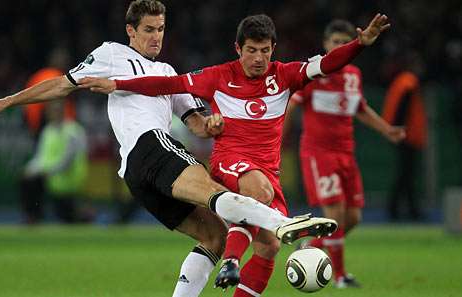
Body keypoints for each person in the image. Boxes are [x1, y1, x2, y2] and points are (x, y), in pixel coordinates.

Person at [0, 1, 336, 296]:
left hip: (137, 177)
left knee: (215, 236)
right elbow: (63, 84)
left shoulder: (168, 74)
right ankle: (284, 222)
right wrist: (6, 101)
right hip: (148, 146)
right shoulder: (111, 54)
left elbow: (196, 123)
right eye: (148, 29)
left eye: (160, 29)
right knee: (215, 193)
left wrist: (213, 126)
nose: (156, 36)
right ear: (130, 31)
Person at [76, 12, 390, 295]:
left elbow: (327, 63)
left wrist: (359, 45)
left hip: (269, 170)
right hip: (231, 162)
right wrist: (116, 82)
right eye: (251, 50)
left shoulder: (286, 75)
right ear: (238, 49)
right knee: (258, 190)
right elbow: (166, 83)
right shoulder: (218, 75)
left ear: (273, 49)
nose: (258, 58)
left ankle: (249, 255)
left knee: (269, 247)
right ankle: (231, 260)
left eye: (265, 51)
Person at [286, 20, 406, 288]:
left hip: (346, 153)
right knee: (336, 214)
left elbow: (360, 108)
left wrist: (387, 130)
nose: (339, 47)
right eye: (335, 42)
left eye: (344, 42)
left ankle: (310, 246)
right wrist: (276, 142)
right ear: (326, 44)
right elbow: (291, 108)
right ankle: (340, 277)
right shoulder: (314, 73)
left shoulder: (353, 75)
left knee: (353, 218)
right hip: (319, 153)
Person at [21, 100, 90, 224]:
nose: (54, 113)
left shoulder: (73, 131)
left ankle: (82, 213)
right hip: (52, 179)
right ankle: (33, 216)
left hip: (69, 179)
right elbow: (40, 157)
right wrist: (30, 169)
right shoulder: (48, 131)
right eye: (52, 111)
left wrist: (48, 172)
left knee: (69, 218)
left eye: (57, 110)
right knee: (27, 180)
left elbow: (68, 161)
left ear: (63, 111)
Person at [382, 51, 427, 221]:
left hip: (404, 134)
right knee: (406, 174)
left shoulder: (401, 81)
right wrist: (399, 131)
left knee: (405, 174)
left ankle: (402, 209)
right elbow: (402, 109)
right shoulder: (409, 82)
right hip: (408, 136)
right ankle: (402, 210)